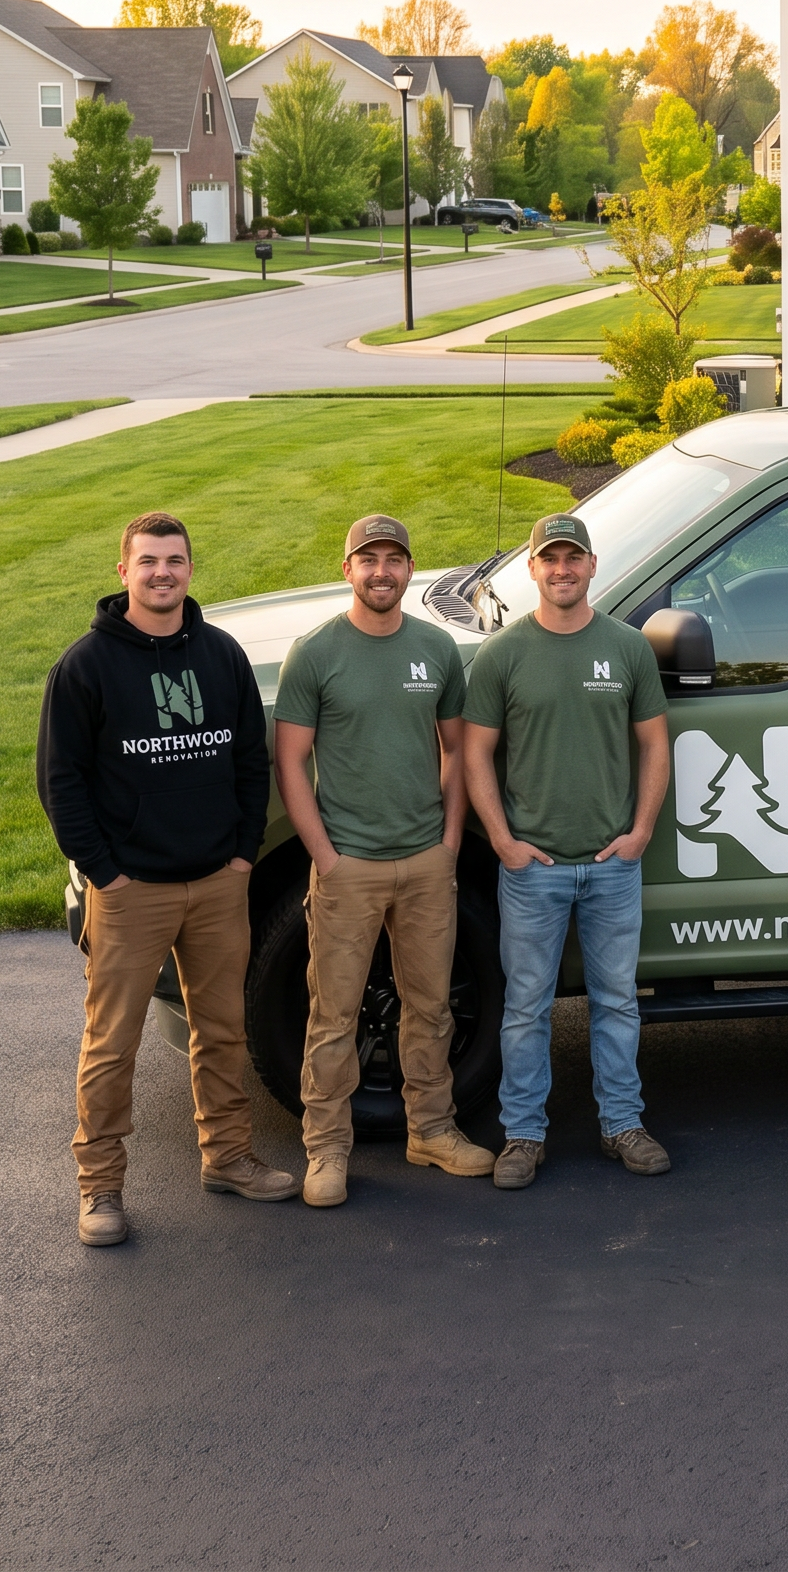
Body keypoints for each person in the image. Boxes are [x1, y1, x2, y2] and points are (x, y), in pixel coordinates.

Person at [36, 512, 300, 1247]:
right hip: (132, 891)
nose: (162, 573)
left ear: (189, 569)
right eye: (148, 561)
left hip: (218, 882)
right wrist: (105, 873)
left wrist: (243, 854)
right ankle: (100, 1187)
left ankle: (229, 1157)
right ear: (124, 571)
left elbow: (250, 758)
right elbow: (61, 783)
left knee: (223, 1030)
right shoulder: (85, 666)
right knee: (111, 1043)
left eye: (175, 560)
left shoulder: (220, 655)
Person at [273, 514, 495, 1208]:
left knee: (430, 1008)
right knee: (332, 1016)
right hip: (349, 867)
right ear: (348, 570)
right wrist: (325, 856)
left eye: (393, 559)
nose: (381, 572)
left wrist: (450, 842)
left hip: (426, 861)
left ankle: (432, 1129)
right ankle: (326, 1148)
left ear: (409, 569)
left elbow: (456, 748)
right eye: (368, 560)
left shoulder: (435, 648)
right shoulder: (316, 653)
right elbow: (290, 761)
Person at [463, 512, 673, 1190]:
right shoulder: (502, 656)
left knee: (618, 1002)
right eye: (550, 558)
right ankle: (523, 1135)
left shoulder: (627, 647)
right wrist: (504, 841)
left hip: (613, 865)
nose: (562, 569)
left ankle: (623, 1125)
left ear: (591, 565)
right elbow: (475, 754)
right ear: (532, 568)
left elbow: (655, 743)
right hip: (535, 870)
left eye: (573, 558)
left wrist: (640, 833)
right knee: (526, 1009)